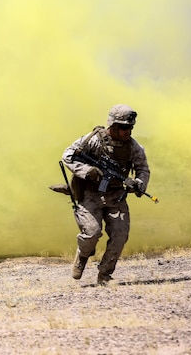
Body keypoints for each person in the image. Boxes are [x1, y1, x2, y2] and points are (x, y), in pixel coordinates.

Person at [62, 104, 150, 285]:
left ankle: (105, 275)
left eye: (131, 127)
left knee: (120, 236)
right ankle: (83, 255)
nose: (128, 131)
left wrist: (139, 184)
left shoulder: (133, 147)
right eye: (124, 127)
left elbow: (142, 168)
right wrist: (88, 170)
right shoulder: (93, 140)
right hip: (91, 193)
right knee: (92, 233)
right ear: (113, 126)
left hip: (116, 195)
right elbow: (68, 156)